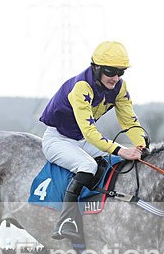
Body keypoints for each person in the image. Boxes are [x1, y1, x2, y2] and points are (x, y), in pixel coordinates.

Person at [40, 41, 148, 242]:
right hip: (58, 139)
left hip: (80, 139)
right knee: (87, 164)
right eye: (110, 71)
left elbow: (129, 121)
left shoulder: (119, 88)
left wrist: (141, 144)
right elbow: (89, 131)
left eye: (120, 72)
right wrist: (120, 150)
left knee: (117, 163)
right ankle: (66, 220)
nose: (115, 78)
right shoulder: (81, 87)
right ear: (96, 68)